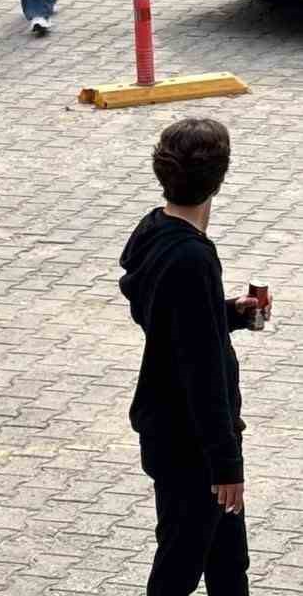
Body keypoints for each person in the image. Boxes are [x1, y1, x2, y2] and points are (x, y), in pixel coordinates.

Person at [120, 118, 272, 596]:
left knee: (229, 564)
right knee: (179, 568)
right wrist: (226, 465)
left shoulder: (154, 231)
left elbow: (171, 320)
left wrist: (224, 313)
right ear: (219, 180)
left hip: (173, 431)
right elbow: (203, 373)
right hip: (194, 445)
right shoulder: (192, 258)